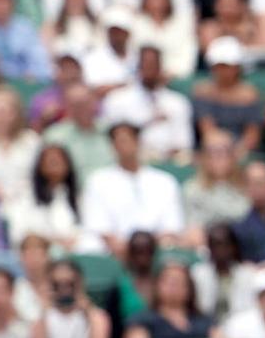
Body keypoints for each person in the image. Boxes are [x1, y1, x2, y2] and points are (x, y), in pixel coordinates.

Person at [80, 122, 184, 257]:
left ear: (138, 142)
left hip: (157, 248)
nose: (124, 146)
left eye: (127, 140)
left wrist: (152, 245)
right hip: (115, 250)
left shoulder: (164, 181)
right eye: (119, 141)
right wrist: (121, 246)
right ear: (112, 146)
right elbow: (98, 224)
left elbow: (172, 225)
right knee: (87, 245)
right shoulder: (98, 180)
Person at [100, 46, 193, 164]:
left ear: (160, 68)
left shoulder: (177, 102)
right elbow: (112, 140)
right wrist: (148, 122)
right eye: (145, 65)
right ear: (138, 67)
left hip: (169, 161)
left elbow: (183, 144)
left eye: (153, 65)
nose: (149, 70)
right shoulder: (117, 100)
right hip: (133, 159)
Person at [192, 37, 261, 158]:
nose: (222, 71)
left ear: (237, 67)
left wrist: (239, 152)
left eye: (227, 66)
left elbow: (252, 135)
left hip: (242, 153)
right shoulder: (203, 92)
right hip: (212, 150)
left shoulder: (249, 95)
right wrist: (221, 151)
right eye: (219, 66)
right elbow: (208, 130)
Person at [125, 263, 218, 338]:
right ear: (157, 286)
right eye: (168, 281)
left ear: (189, 289)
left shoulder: (205, 321)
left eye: (179, 282)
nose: (173, 286)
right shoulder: (142, 320)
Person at [30, 258, 111, 338]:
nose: (64, 290)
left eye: (70, 284)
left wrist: (88, 310)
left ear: (79, 283)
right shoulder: (41, 318)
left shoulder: (95, 316)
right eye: (56, 285)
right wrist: (44, 311)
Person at [182, 127, 247, 240]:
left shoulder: (247, 186)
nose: (218, 157)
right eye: (212, 151)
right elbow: (193, 230)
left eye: (224, 151)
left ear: (234, 155)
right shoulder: (192, 189)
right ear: (202, 156)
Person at [131, 0, 196, 79]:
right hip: (142, 78)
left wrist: (171, 73)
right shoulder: (135, 23)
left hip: (176, 79)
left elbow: (188, 54)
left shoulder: (182, 24)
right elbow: (132, 54)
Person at [191, 222, 255, 320]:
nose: (219, 250)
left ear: (233, 247)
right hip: (206, 327)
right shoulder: (198, 274)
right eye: (215, 245)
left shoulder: (246, 275)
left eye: (224, 245)